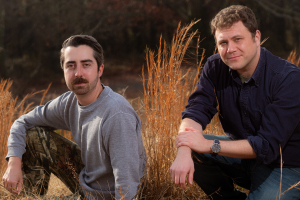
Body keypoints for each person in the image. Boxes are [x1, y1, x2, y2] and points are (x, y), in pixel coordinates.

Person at [170, 5, 300, 200]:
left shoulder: (288, 79)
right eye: (223, 42)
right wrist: (184, 149)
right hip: (244, 158)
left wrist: (210, 145)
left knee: (202, 145)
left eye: (237, 39)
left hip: (285, 166)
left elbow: (266, 146)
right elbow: (195, 111)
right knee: (194, 148)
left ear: (256, 37)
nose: (230, 49)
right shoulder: (215, 67)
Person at [2, 35, 146, 199]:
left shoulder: (117, 115)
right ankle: (28, 196)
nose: (78, 73)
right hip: (87, 181)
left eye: (86, 65)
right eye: (71, 66)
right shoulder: (68, 102)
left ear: (100, 70)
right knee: (32, 135)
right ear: (63, 71)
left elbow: (127, 186)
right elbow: (22, 123)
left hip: (111, 195)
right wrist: (13, 163)